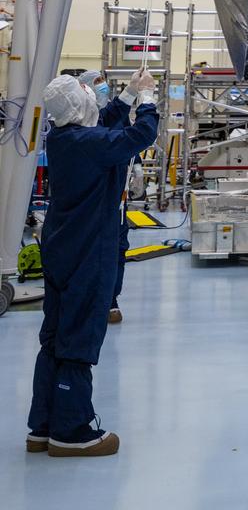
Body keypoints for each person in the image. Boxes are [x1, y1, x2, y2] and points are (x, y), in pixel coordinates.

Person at [26, 69, 158, 458]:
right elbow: (139, 137)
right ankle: (72, 431)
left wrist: (127, 95)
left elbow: (102, 127)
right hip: (87, 250)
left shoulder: (66, 137)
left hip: (62, 246)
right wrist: (148, 100)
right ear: (80, 104)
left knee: (54, 336)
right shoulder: (89, 142)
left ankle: (42, 426)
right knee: (79, 336)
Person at [82, 70, 142, 325]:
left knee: (118, 248)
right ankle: (86, 299)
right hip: (93, 195)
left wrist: (137, 167)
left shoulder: (115, 112)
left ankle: (110, 300)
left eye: (103, 81)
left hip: (118, 195)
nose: (102, 86)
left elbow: (129, 136)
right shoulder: (83, 117)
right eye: (96, 83)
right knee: (90, 248)